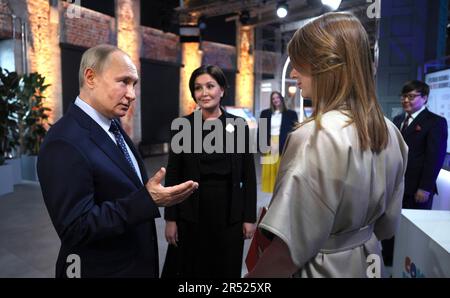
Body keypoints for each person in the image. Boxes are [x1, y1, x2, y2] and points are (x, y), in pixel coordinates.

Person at [246, 12, 408, 278]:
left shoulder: (315, 135)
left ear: (326, 65)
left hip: (320, 269)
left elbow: (287, 250)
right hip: (368, 261)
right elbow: (388, 225)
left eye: (300, 64)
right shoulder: (389, 130)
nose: (294, 73)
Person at [37, 44, 198, 278]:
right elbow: (75, 228)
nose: (132, 94)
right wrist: (146, 200)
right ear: (90, 77)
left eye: (134, 84)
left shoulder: (113, 125)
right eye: (123, 81)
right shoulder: (64, 141)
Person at [161, 65, 257, 278]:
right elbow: (174, 174)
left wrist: (249, 217)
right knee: (192, 270)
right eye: (198, 88)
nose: (204, 93)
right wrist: (171, 219)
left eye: (210, 86)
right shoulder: (183, 126)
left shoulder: (238, 125)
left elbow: (249, 177)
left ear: (222, 90)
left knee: (225, 270)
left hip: (229, 215)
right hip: (192, 214)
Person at [381, 80, 448, 266]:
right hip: (396, 185)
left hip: (417, 189)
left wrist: (425, 187)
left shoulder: (435, 122)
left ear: (424, 98)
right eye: (403, 96)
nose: (405, 100)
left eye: (411, 96)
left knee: (412, 233)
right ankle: (389, 262)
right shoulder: (397, 120)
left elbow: (434, 157)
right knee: (392, 227)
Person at [259, 91, 298, 193]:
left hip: (283, 144)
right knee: (268, 173)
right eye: (273, 99)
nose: (275, 100)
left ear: (281, 99)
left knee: (281, 171)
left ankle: (281, 194)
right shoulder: (265, 113)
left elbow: (294, 132)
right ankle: (270, 198)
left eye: (277, 98)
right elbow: (261, 131)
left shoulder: (291, 114)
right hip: (269, 144)